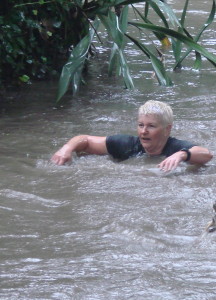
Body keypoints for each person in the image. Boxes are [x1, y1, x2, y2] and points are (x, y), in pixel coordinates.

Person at [51, 100, 213, 172]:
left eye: (151, 126)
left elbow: (207, 155)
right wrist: (67, 148)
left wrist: (183, 155)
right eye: (141, 125)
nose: (143, 131)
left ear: (166, 129)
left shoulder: (175, 147)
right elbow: (85, 140)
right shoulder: (126, 144)